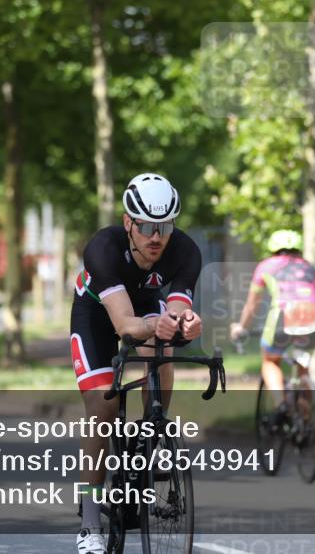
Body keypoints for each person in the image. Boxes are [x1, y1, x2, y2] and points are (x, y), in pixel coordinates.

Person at [70, 173, 203, 554]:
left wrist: (186, 324)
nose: (156, 236)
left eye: (164, 226)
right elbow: (125, 325)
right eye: (146, 226)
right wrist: (155, 324)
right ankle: (90, 522)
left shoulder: (186, 251)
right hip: (99, 311)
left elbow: (176, 311)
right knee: (103, 404)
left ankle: (151, 431)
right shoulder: (103, 249)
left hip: (144, 305)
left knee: (164, 345)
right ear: (129, 222)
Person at [230, 229, 315, 428]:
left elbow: (252, 304)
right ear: (298, 250)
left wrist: (241, 327)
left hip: (283, 317)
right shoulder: (311, 268)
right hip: (314, 318)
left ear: (273, 250)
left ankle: (281, 406)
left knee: (270, 361)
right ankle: (305, 421)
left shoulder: (266, 266)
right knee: (302, 368)